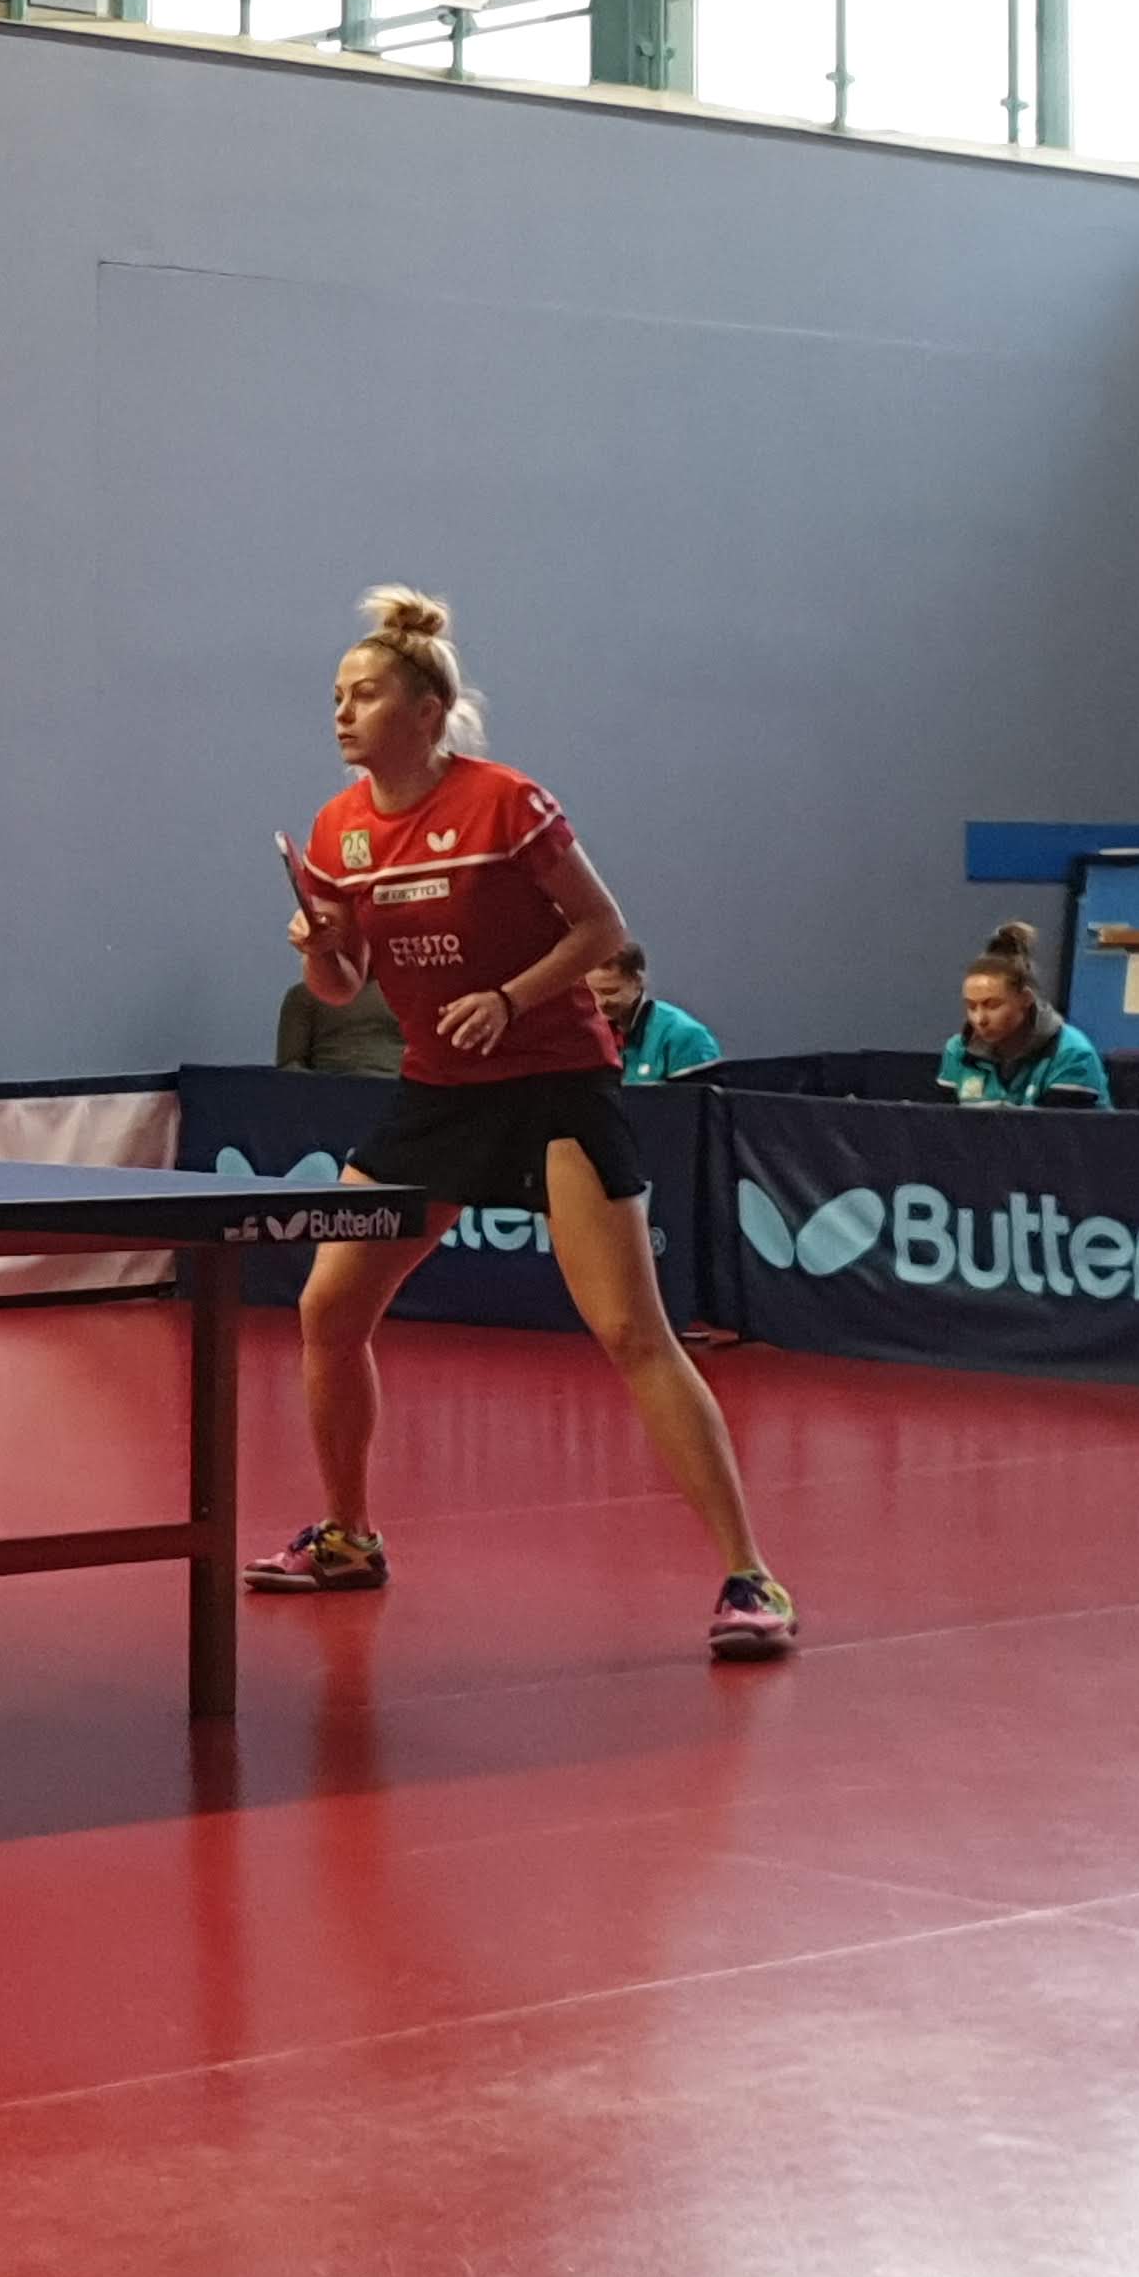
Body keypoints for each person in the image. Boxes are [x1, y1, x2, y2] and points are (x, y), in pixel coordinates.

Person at [259, 587, 796, 1661]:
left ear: (426, 711)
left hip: (554, 1085)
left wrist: (510, 998)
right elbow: (342, 986)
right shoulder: (337, 830)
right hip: (438, 1092)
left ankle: (752, 1577)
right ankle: (350, 1537)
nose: (342, 712)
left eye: (366, 694)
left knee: (630, 1331)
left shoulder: (506, 804)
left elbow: (601, 928)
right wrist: (319, 946)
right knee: (330, 1308)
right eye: (337, 696)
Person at [942, 921, 1111, 1107]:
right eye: (971, 1006)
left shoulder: (1071, 1053)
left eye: (993, 1005)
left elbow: (1060, 1126)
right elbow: (940, 1121)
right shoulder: (958, 1051)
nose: (980, 1019)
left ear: (1026, 998)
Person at [586, 943, 722, 1086]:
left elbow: (695, 1099)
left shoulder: (686, 1037)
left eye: (610, 991)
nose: (599, 1002)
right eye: (590, 992)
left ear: (638, 982)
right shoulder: (589, 1035)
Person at [276, 971, 405, 1077]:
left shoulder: (409, 995)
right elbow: (289, 1066)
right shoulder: (303, 995)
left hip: (396, 1090)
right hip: (329, 1090)